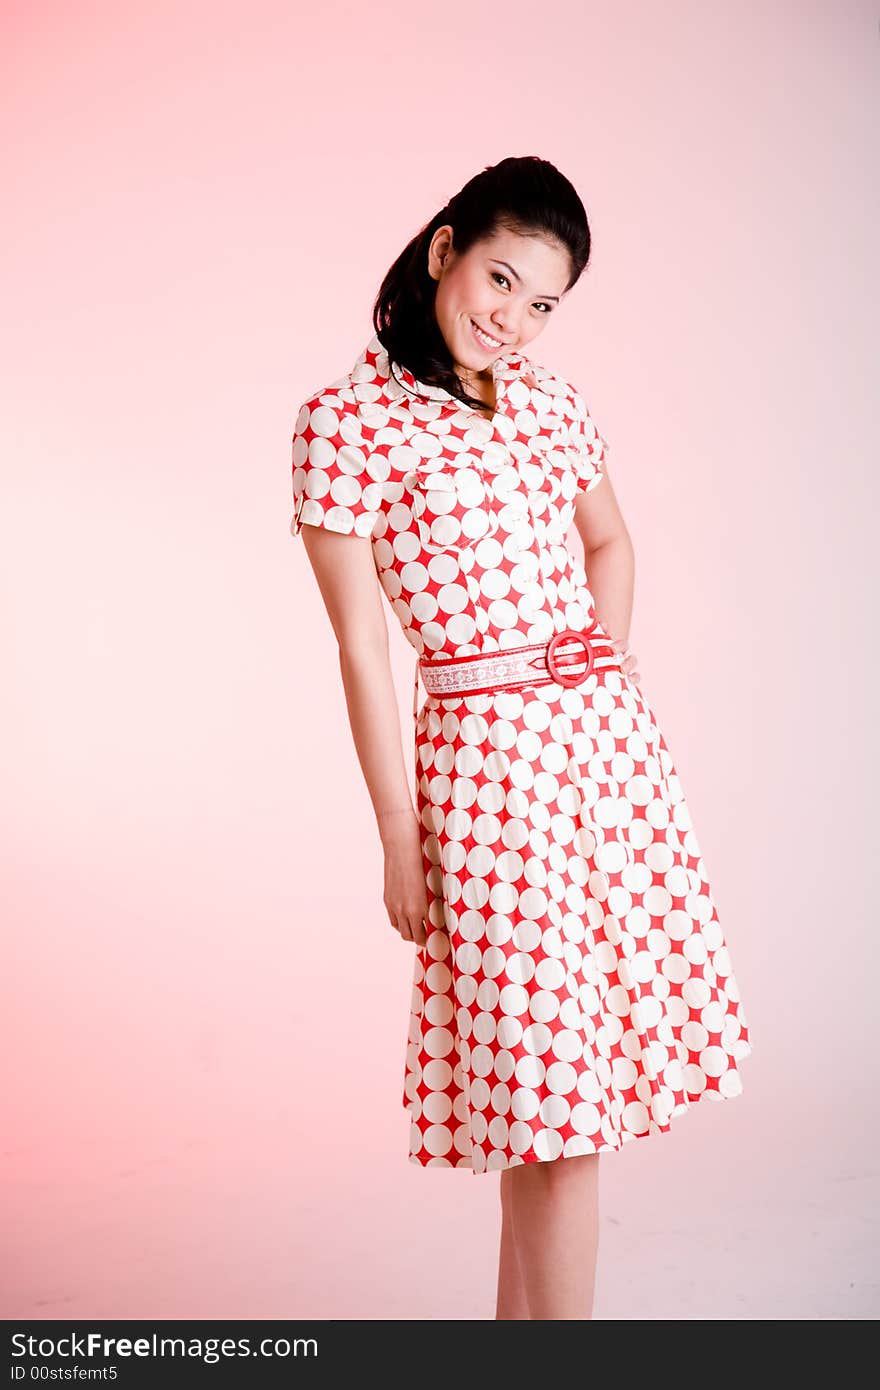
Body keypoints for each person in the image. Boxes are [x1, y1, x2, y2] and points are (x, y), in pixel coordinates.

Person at [288, 155, 753, 1320]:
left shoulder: (551, 400)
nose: (513, 318)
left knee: (570, 1099)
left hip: (602, 755)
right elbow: (361, 648)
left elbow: (612, 544)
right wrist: (398, 835)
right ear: (444, 249)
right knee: (553, 1106)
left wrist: (602, 664)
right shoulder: (343, 425)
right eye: (500, 279)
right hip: (484, 772)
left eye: (542, 302)